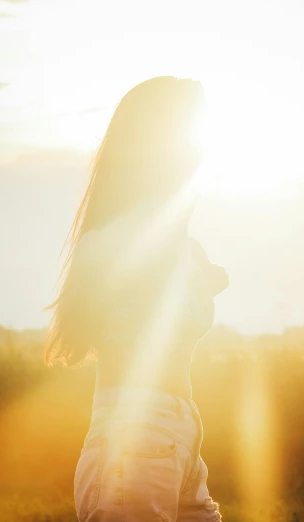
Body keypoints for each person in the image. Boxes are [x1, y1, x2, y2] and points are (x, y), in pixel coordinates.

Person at [45, 76, 228, 521]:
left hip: (180, 434)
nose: (200, 149)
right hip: (136, 434)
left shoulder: (181, 246)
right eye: (189, 132)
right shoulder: (114, 243)